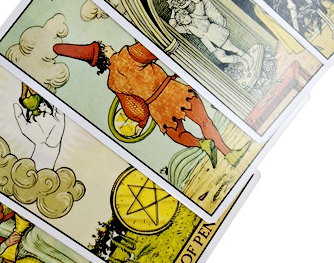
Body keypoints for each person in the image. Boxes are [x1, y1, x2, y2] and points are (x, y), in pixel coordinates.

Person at [53, 40, 250, 169]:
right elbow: (153, 48)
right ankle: (229, 154)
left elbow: (136, 110)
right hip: (172, 91)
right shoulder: (127, 54)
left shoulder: (112, 82)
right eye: (104, 45)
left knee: (178, 135)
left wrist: (141, 123)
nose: (108, 45)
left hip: (158, 109)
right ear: (104, 51)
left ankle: (202, 144)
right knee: (204, 122)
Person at [167, 0, 251, 68]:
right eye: (182, 21)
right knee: (222, 58)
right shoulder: (187, 28)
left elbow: (199, 4)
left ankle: (247, 58)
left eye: (184, 17)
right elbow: (174, 26)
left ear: (186, 13)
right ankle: (242, 61)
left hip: (215, 34)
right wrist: (173, 12)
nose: (185, 20)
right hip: (209, 43)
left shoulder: (197, 14)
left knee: (232, 48)